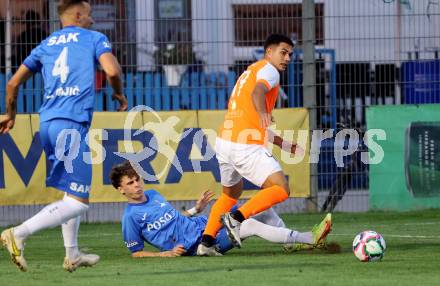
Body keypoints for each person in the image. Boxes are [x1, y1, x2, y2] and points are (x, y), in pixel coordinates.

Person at [0, 0, 128, 272]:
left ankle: (72, 254)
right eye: (90, 15)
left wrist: (10, 115)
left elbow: (12, 83)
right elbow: (113, 70)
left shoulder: (45, 44)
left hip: (47, 124)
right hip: (70, 126)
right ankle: (19, 233)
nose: (93, 21)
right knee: (79, 202)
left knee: (71, 190)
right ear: (79, 15)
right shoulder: (94, 38)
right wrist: (118, 92)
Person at [197, 34, 332, 256]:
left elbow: (250, 115)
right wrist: (262, 113)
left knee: (230, 194)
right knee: (280, 188)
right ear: (269, 52)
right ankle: (236, 218)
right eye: (283, 52)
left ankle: (207, 242)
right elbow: (258, 92)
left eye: (290, 54)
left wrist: (280, 142)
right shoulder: (270, 71)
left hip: (225, 143)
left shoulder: (249, 72)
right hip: (245, 146)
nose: (288, 58)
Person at [110, 161, 331, 257]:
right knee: (251, 224)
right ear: (121, 190)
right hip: (197, 246)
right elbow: (136, 253)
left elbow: (176, 218)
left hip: (204, 226)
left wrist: (196, 209)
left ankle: (289, 242)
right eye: (130, 183)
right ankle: (310, 238)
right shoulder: (130, 218)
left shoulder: (154, 195)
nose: (137, 185)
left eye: (137, 179)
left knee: (251, 206)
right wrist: (165, 255)